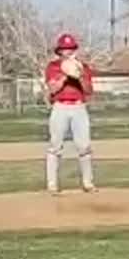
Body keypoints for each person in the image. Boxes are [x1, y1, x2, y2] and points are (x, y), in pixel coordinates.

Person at [42, 33, 96, 196]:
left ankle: (88, 183)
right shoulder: (53, 67)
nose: (69, 51)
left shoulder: (83, 67)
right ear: (59, 51)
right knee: (55, 146)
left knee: (84, 146)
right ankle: (52, 185)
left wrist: (79, 76)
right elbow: (52, 89)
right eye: (65, 49)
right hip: (60, 107)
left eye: (71, 48)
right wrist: (65, 76)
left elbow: (88, 91)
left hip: (79, 107)